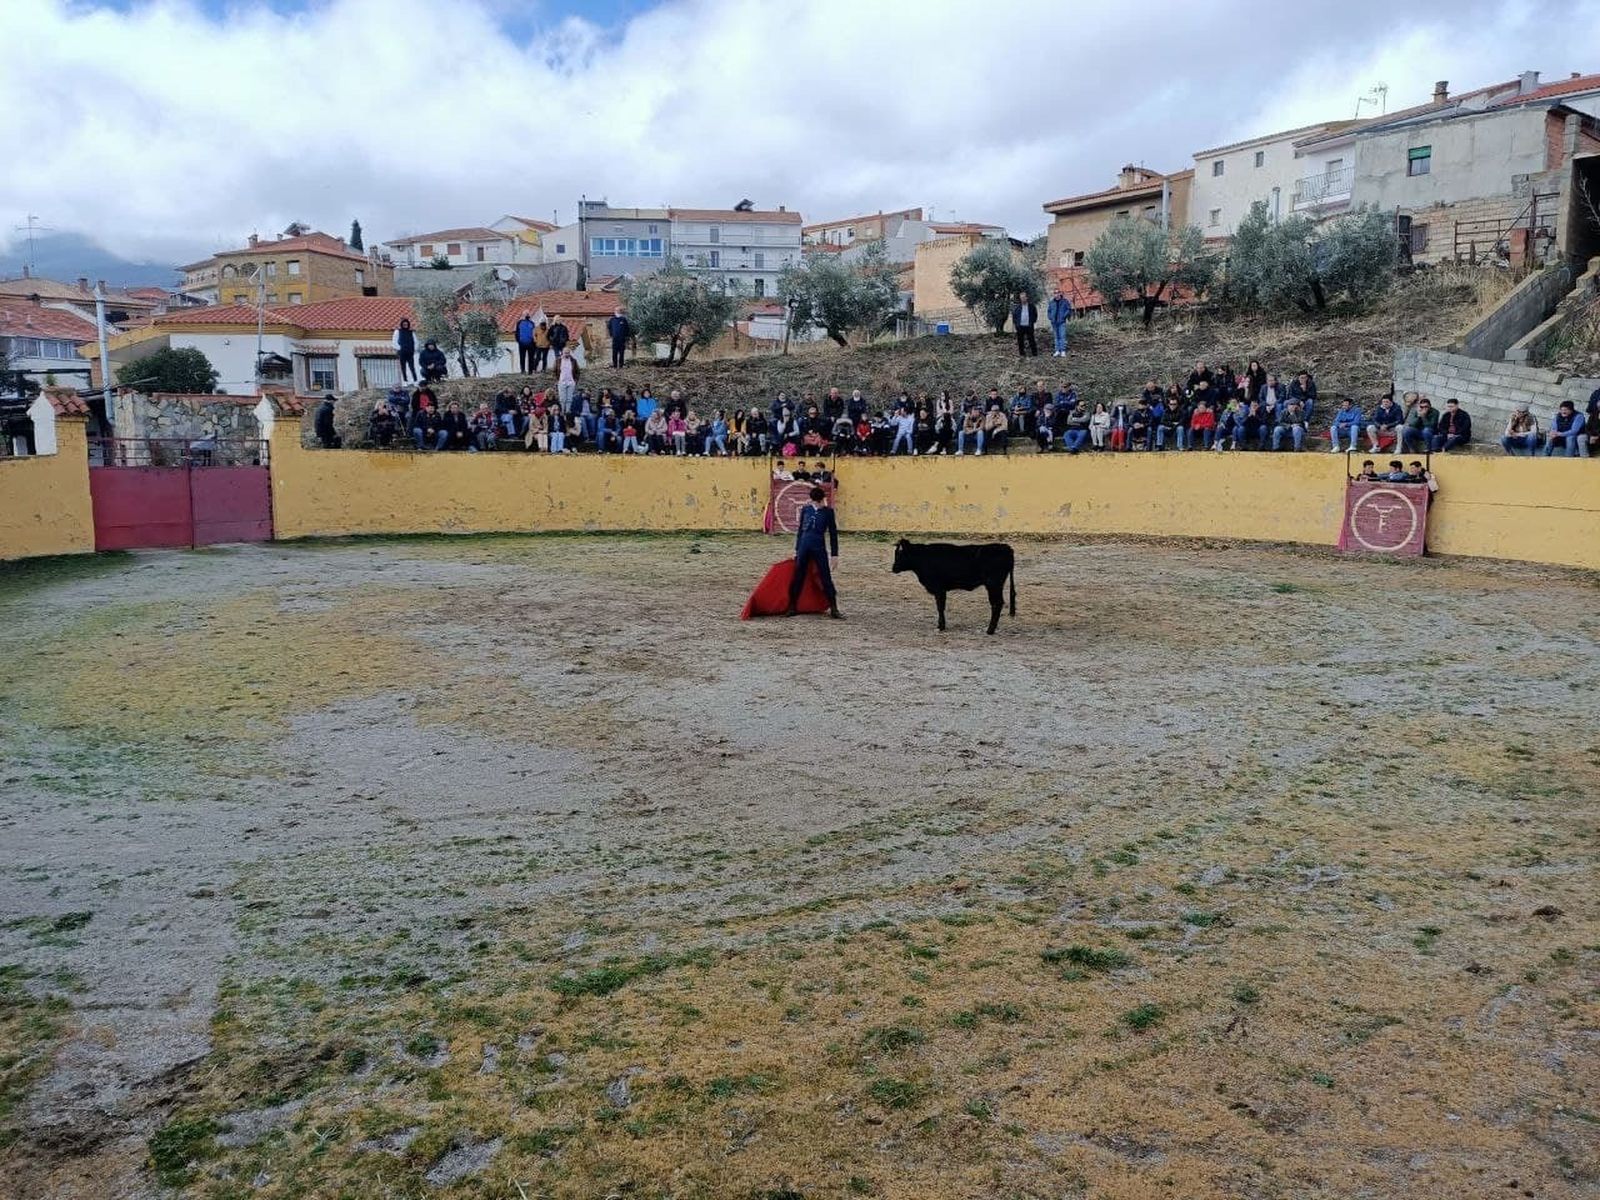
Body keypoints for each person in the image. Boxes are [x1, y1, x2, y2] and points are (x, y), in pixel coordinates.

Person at [786, 486, 843, 620]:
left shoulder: (825, 512)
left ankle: (833, 608)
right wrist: (797, 549)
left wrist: (834, 554)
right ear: (822, 499)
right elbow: (801, 530)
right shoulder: (809, 510)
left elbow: (832, 534)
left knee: (824, 577)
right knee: (800, 576)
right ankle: (793, 606)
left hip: (812, 547)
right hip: (808, 547)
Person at [1047, 286, 1073, 356]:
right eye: (1055, 293)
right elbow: (1049, 311)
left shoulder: (1064, 301)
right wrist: (1050, 317)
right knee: (1056, 337)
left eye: (1058, 292)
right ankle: (1057, 350)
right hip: (1054, 322)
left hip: (1061, 322)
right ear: (1054, 294)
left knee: (1062, 336)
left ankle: (1063, 351)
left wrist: (1064, 316)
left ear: (1060, 293)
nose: (1056, 294)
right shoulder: (1051, 302)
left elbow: (1068, 309)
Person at [1012, 291, 1038, 358]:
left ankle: (1034, 353)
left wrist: (1032, 322)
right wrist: (1016, 324)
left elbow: (1035, 315)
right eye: (1021, 298)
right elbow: (1014, 316)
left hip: (1029, 326)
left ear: (1027, 298)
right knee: (1020, 340)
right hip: (1020, 326)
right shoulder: (1017, 307)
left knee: (1031, 339)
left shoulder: (1031, 306)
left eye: (1024, 297)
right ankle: (1022, 353)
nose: (1022, 299)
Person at [392, 317, 418, 383]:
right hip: (402, 353)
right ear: (401, 324)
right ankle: (405, 381)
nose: (405, 325)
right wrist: (400, 348)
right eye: (404, 324)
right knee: (403, 367)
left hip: (410, 352)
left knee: (412, 367)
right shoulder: (397, 332)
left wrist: (414, 349)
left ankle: (415, 380)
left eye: (406, 324)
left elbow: (416, 342)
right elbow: (394, 342)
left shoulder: (411, 332)